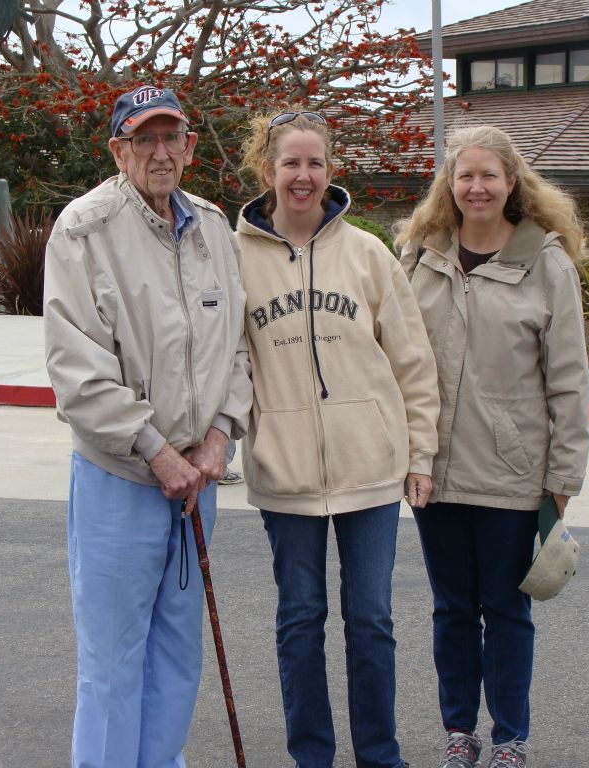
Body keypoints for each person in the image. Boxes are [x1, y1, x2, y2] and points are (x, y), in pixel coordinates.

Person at [43, 84, 252, 768]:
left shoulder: (216, 229)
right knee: (111, 661)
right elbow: (78, 373)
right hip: (123, 479)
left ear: (190, 147)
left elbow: (238, 352)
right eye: (144, 139)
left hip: (198, 482)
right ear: (119, 150)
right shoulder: (84, 229)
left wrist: (220, 434)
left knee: (177, 654)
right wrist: (161, 454)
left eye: (172, 138)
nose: (159, 152)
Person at [234, 110, 440, 768]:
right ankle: (312, 757)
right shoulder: (234, 258)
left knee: (372, 622)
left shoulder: (368, 255)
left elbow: (412, 362)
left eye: (314, 163)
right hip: (286, 474)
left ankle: (380, 756)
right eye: (290, 163)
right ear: (267, 170)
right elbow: (228, 361)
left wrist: (420, 452)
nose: (303, 175)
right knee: (300, 621)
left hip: (370, 470)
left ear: (331, 169)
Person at [393, 125, 589, 768]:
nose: (476, 187)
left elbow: (569, 381)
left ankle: (510, 737)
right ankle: (459, 732)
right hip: (433, 471)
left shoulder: (546, 262)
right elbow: (390, 354)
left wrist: (563, 479)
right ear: (450, 184)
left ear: (512, 183)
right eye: (465, 175)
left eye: (489, 175)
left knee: (505, 612)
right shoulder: (420, 256)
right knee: (451, 609)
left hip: (513, 472)